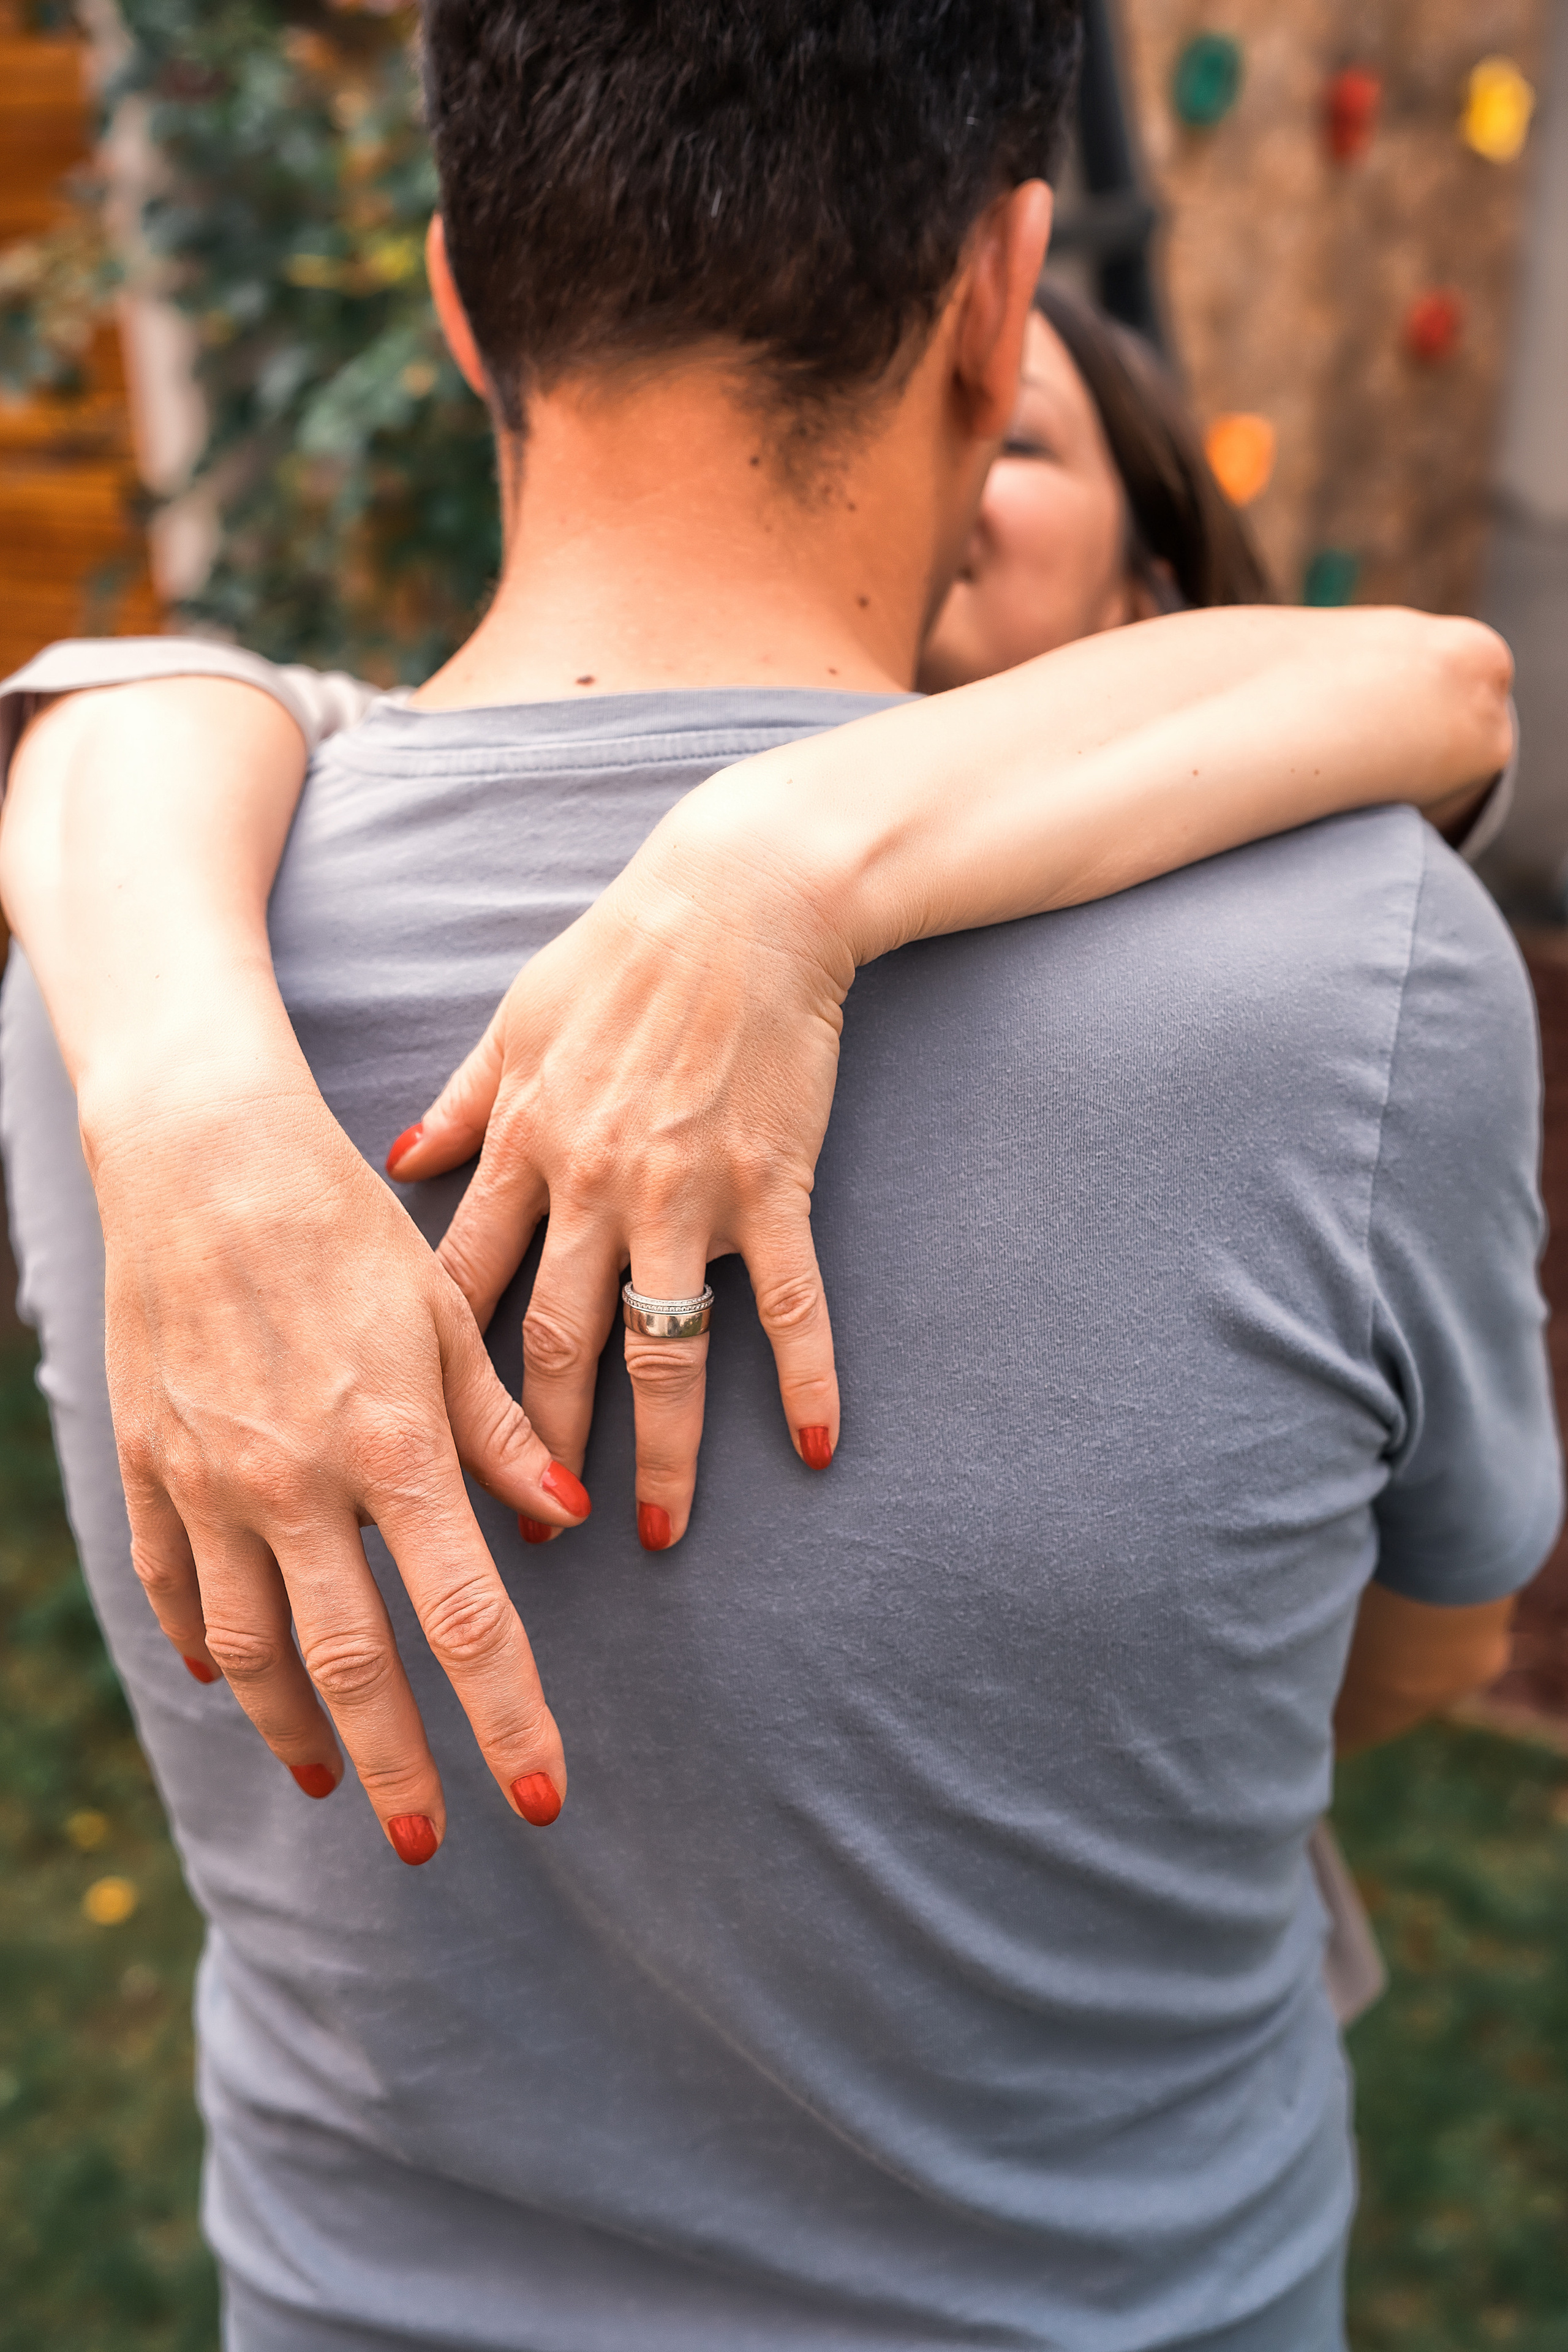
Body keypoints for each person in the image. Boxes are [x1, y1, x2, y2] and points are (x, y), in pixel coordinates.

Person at [0, 7, 1556, 2349]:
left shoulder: (129, 968)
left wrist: (220, 1087)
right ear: (1000, 292)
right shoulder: (1367, 972)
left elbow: (127, 710)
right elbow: (1420, 1651)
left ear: (455, 305)